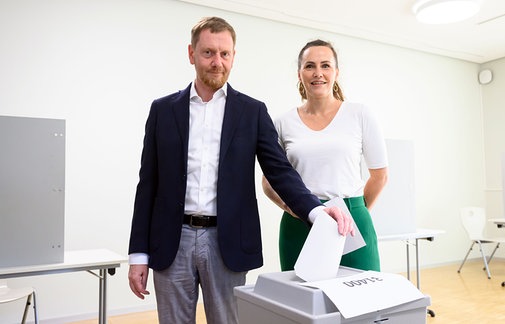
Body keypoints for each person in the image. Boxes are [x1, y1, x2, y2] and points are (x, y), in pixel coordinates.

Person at [127, 18, 353, 324]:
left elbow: (280, 171)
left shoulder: (252, 111)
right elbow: (148, 184)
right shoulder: (163, 110)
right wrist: (138, 254)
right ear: (192, 54)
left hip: (227, 242)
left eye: (225, 54)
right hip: (171, 241)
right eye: (208, 53)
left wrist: (315, 211)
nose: (217, 62)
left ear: (233, 56)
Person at [263, 39, 388, 272]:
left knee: (361, 299)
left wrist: (353, 211)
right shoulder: (282, 123)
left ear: (336, 72)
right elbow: (268, 183)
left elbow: (379, 176)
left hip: (351, 221)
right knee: (299, 302)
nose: (317, 73)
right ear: (299, 74)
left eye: (325, 65)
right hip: (300, 221)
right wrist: (296, 210)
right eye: (309, 66)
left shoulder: (360, 114)